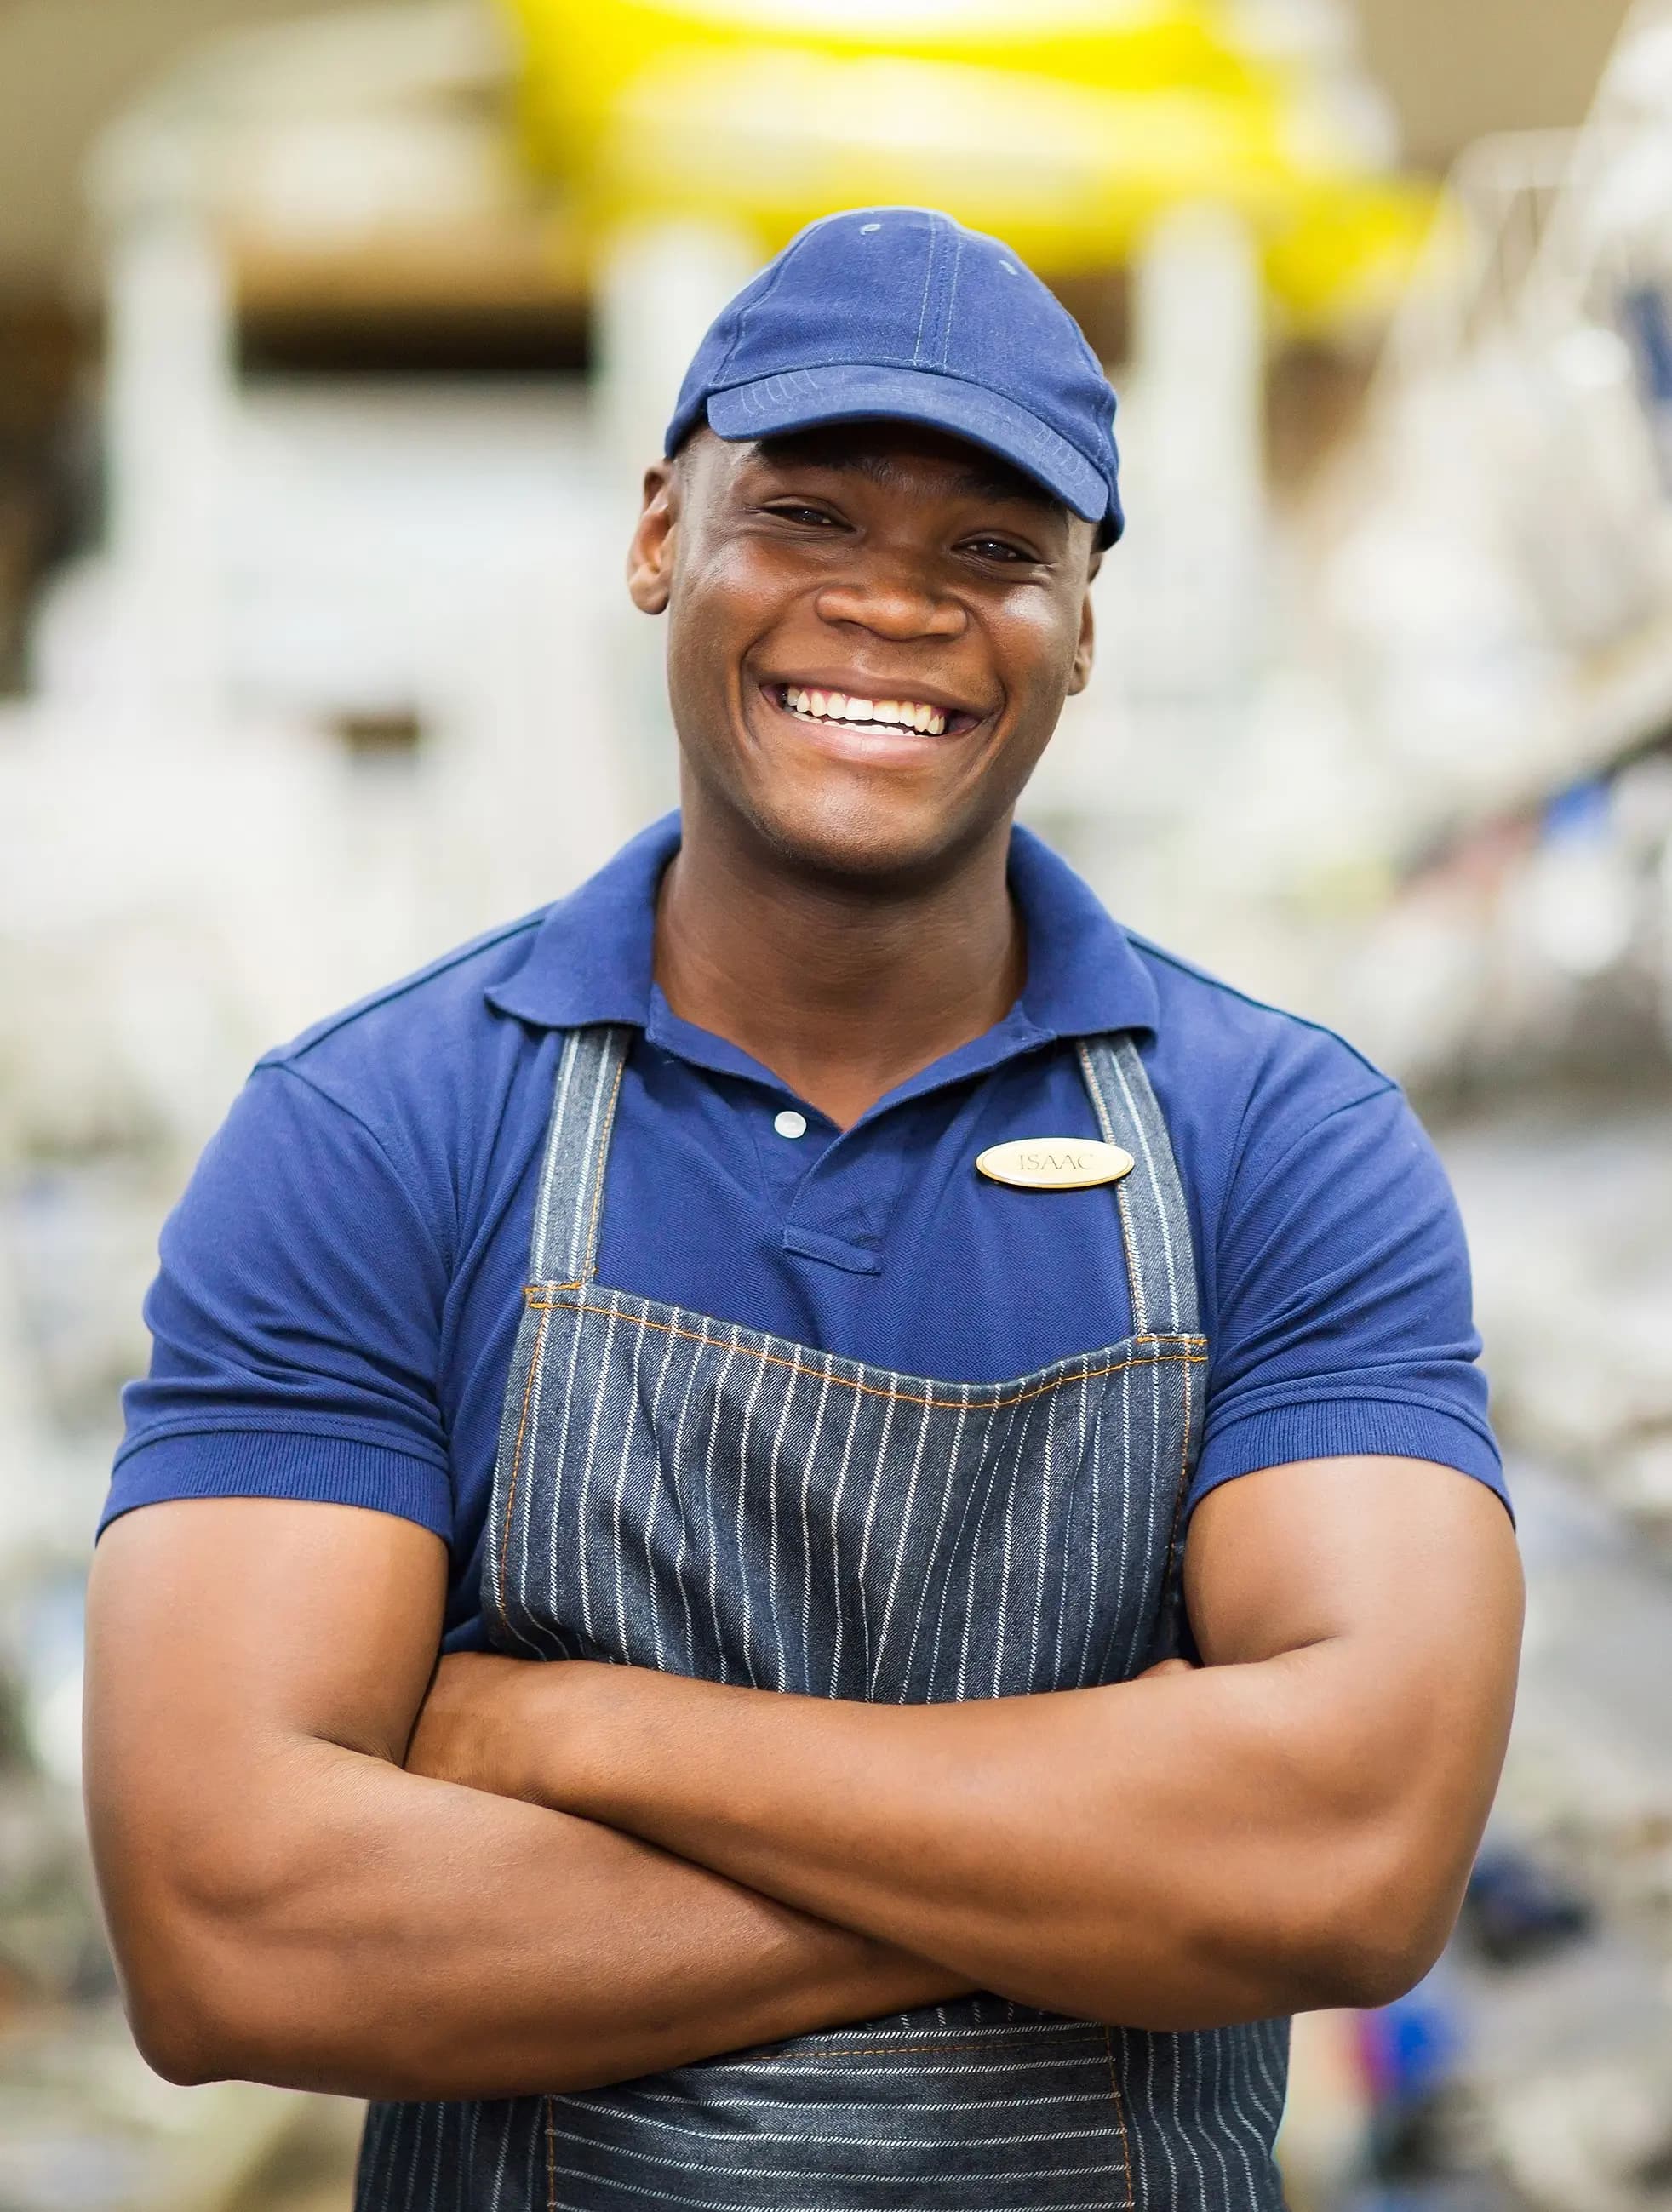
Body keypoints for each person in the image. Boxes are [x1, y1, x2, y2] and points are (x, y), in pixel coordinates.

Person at [83, 208, 1521, 2212]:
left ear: (1083, 623)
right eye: (808, 517)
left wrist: (582, 1734)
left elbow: (1350, 1866)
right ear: (658, 532)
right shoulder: (377, 1130)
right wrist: (1106, 1871)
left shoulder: (1281, 1142)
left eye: (994, 548)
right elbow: (231, 1933)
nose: (894, 604)